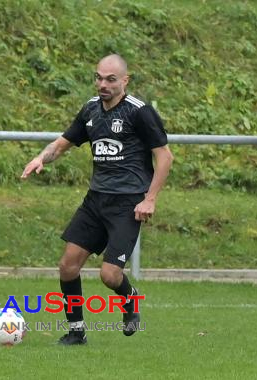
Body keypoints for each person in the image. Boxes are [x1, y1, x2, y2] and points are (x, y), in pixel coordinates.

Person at [22, 54, 173, 345]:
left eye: (110, 79)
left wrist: (150, 199)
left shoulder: (139, 112)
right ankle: (76, 331)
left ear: (125, 81)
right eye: (99, 78)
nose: (102, 84)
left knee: (109, 275)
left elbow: (164, 156)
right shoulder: (91, 110)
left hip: (127, 204)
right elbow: (63, 143)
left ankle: (130, 300)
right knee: (67, 265)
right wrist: (40, 158)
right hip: (96, 201)